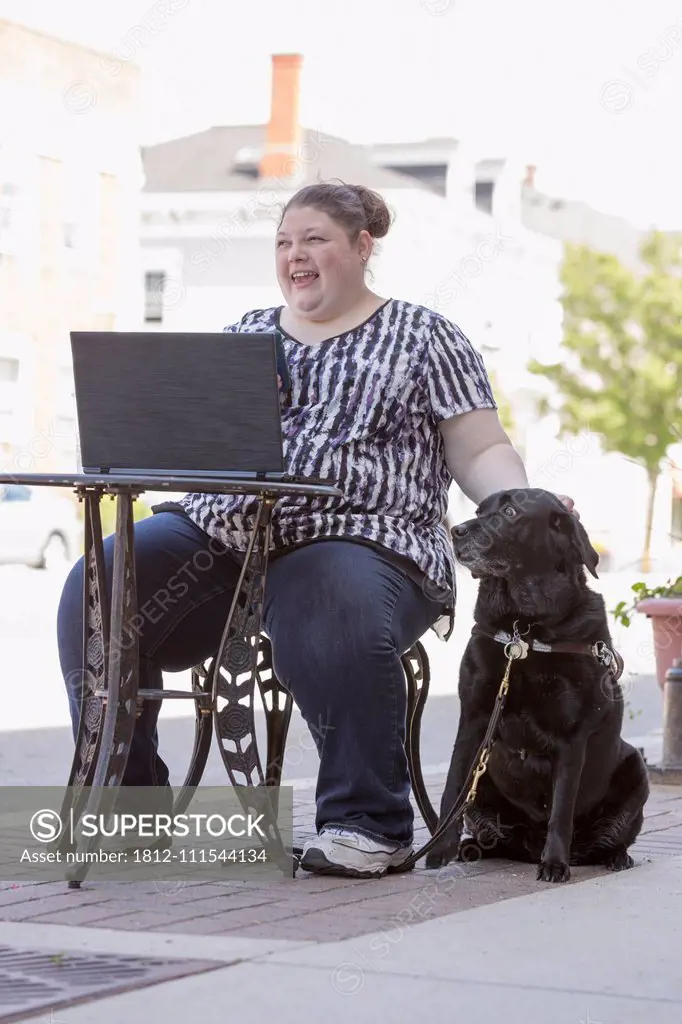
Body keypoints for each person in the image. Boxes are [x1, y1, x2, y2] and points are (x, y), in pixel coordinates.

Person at [57, 181, 576, 879]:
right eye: (282, 242)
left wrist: (520, 501)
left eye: (314, 240)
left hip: (365, 541)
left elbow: (479, 447)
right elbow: (196, 448)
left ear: (362, 247)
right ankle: (128, 812)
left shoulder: (425, 336)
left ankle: (369, 824)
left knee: (330, 597)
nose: (294, 255)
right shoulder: (246, 333)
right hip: (224, 537)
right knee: (103, 579)